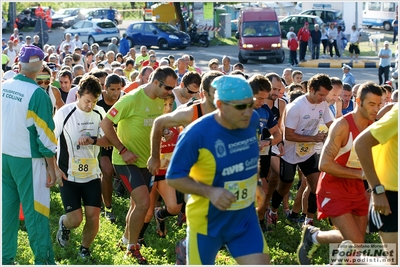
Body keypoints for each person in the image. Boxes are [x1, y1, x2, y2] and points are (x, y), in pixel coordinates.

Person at [165, 75, 271, 265]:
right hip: (207, 222)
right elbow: (174, 177)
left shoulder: (252, 120)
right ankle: (186, 247)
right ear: (220, 104)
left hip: (244, 217)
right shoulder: (196, 134)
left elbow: (250, 154)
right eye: (240, 107)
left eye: (250, 104)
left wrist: (255, 182)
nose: (248, 112)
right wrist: (210, 191)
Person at [297, 82, 383, 264]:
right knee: (356, 241)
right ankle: (317, 240)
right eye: (371, 104)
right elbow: (324, 164)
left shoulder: (373, 126)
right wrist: (361, 174)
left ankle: (313, 237)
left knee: (357, 245)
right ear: (358, 101)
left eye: (378, 104)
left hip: (356, 188)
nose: (376, 109)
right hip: (333, 188)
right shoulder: (342, 125)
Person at [100, 66, 178, 263]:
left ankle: (126, 238)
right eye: (168, 88)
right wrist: (122, 150)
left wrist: (164, 134)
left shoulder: (160, 101)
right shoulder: (131, 98)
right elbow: (106, 124)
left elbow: (154, 127)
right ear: (156, 82)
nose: (170, 93)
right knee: (144, 203)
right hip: (125, 161)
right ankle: (132, 248)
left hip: (147, 162)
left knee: (136, 204)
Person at [2, 45, 59, 265]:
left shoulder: (4, 85)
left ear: (20, 64)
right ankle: (43, 261)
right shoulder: (38, 94)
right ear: (40, 66)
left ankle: (5, 258)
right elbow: (46, 139)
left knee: (7, 213)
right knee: (37, 214)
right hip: (27, 160)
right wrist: (52, 168)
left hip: (4, 157)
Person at [267, 74, 333, 228]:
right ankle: (273, 210)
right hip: (289, 153)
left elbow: (332, 124)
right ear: (311, 89)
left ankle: (309, 221)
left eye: (325, 95)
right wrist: (314, 138)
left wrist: (339, 135)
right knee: (285, 186)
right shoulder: (296, 107)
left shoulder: (322, 104)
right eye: (321, 94)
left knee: (316, 185)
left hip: (308, 152)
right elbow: (288, 135)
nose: (323, 98)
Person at [54, 74, 109, 259]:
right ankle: (64, 223)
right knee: (75, 220)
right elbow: (50, 142)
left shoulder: (100, 113)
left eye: (93, 102)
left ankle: (84, 249)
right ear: (78, 95)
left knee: (93, 215)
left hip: (92, 175)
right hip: (68, 175)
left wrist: (93, 140)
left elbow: (108, 140)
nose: (89, 106)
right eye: (87, 101)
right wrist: (53, 167)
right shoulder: (64, 113)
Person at [354, 104, 398, 265]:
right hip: (390, 196)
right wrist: (378, 190)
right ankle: (351, 260)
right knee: (395, 261)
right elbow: (361, 144)